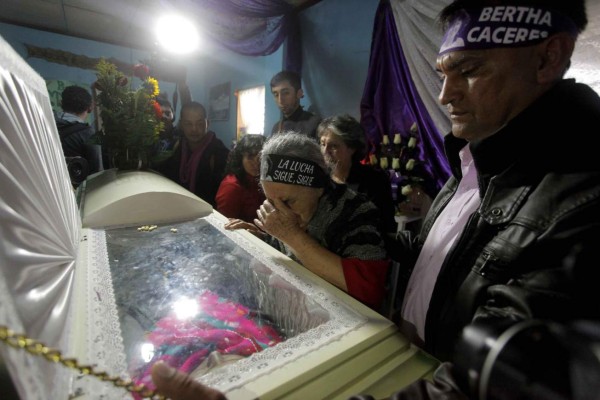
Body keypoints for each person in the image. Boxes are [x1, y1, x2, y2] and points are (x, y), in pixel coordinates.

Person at [150, 0, 600, 398]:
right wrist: (277, 239)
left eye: (471, 70)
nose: (446, 95)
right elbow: (434, 256)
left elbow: (490, 382)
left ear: (547, 58)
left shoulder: (579, 202)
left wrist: (312, 237)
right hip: (407, 354)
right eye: (443, 72)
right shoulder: (472, 163)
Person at [226, 132, 390, 310]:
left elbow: (370, 289)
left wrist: (291, 236)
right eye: (271, 201)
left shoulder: (355, 210)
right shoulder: (290, 206)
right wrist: (261, 239)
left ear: (318, 188)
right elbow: (287, 252)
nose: (278, 212)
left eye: (288, 202)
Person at [317, 114, 397, 234]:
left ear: (352, 148)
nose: (325, 151)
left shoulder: (375, 180)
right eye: (323, 144)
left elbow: (386, 226)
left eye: (333, 146)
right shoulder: (319, 179)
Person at [155, 101, 230, 207]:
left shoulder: (219, 153)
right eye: (188, 124)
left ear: (207, 123)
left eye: (199, 124)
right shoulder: (175, 147)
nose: (194, 129)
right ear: (181, 125)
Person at [215, 134, 266, 222]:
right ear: (240, 158)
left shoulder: (264, 180)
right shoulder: (232, 186)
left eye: (261, 158)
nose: (256, 163)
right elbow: (225, 223)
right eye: (250, 157)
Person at [54, 85, 103, 177]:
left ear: (61, 103)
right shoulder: (90, 134)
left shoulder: (46, 124)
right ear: (90, 108)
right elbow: (97, 172)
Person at [270, 70, 321, 138]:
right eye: (276, 95)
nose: (280, 100)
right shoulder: (276, 128)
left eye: (285, 93)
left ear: (299, 93)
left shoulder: (314, 124)